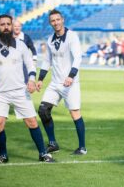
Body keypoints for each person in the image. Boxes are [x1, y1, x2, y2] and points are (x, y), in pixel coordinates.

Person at [0, 14, 54, 163]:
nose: (6, 27)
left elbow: (30, 65)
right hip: (0, 93)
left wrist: (31, 80)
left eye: (8, 24)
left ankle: (43, 154)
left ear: (12, 26)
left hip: (20, 91)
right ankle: (3, 156)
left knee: (32, 122)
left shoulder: (21, 45)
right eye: (2, 24)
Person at [36, 9, 87, 155]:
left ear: (62, 20)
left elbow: (78, 58)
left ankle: (82, 147)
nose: (56, 22)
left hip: (71, 83)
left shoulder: (72, 37)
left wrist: (71, 76)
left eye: (58, 19)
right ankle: (53, 143)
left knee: (74, 113)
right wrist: (40, 79)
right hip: (55, 83)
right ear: (50, 23)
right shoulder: (50, 39)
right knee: (43, 110)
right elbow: (47, 61)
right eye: (53, 20)